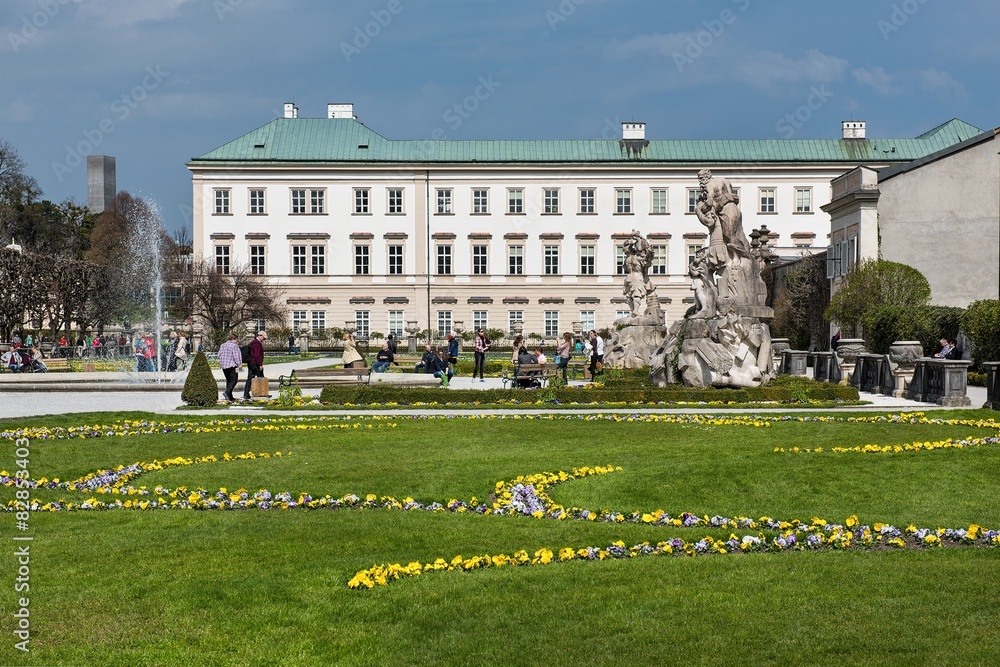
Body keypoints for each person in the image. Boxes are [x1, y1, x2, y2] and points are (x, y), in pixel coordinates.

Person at [242, 331, 267, 400]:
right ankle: (262, 392)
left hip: (251, 363)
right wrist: (260, 364)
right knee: (261, 377)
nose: (264, 340)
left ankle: (246, 393)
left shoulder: (253, 342)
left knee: (250, 378)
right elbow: (257, 355)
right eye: (264, 338)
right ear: (260, 336)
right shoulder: (256, 344)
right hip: (255, 363)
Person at [218, 333, 242, 403]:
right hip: (232, 365)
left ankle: (229, 396)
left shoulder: (223, 345)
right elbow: (236, 356)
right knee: (234, 380)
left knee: (228, 380)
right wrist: (239, 364)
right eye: (236, 339)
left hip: (224, 365)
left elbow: (219, 355)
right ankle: (227, 392)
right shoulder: (234, 346)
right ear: (234, 339)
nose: (237, 341)